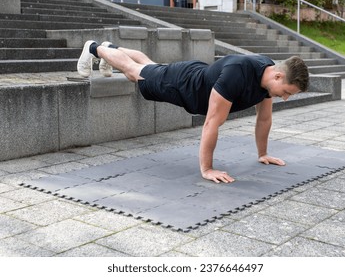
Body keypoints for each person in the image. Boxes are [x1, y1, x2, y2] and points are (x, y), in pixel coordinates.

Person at [77, 40, 309, 184]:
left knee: (149, 65)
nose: (285, 97)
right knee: (134, 72)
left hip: (196, 75)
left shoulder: (268, 77)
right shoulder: (238, 74)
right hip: (182, 84)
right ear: (278, 76)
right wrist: (207, 169)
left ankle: (110, 49)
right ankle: (94, 48)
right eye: (287, 91)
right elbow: (211, 123)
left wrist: (263, 153)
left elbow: (264, 118)